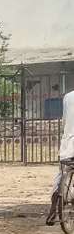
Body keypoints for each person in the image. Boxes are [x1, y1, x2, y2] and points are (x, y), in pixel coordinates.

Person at [47, 89, 74, 225]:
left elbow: (64, 121)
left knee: (61, 173)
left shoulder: (68, 97)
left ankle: (52, 211)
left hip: (69, 142)